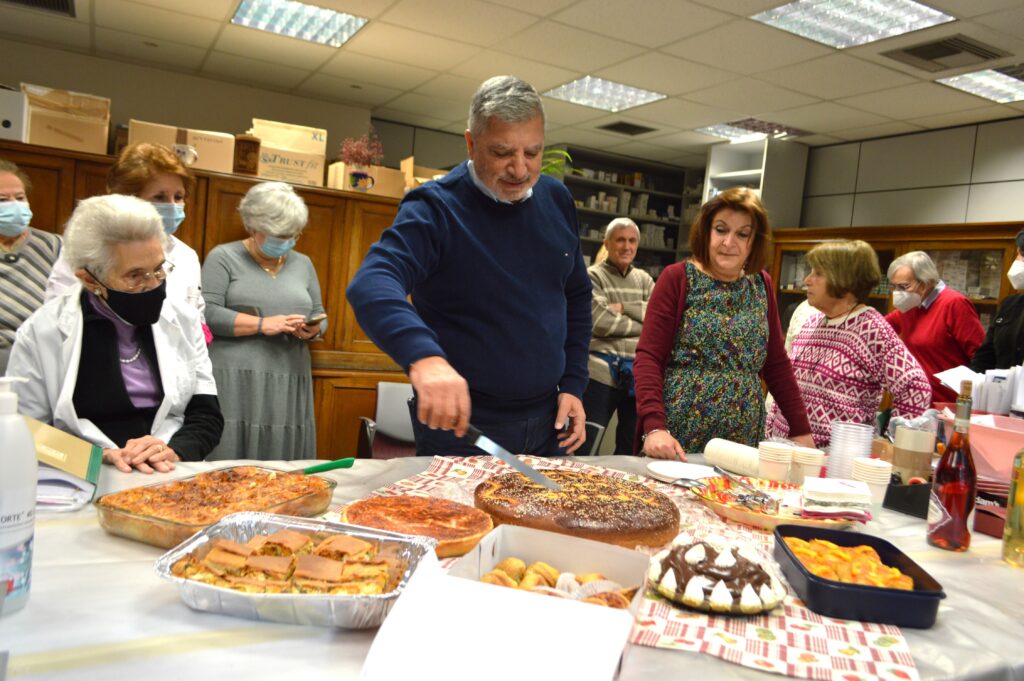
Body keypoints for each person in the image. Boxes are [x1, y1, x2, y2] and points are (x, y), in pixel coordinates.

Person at [346, 75, 591, 457]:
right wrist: (425, 358)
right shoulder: (435, 208)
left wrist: (574, 383)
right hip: (464, 427)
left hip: (548, 420)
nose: (520, 170)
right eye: (502, 152)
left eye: (533, 152)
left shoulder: (556, 200)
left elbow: (575, 295)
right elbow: (372, 283)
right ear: (471, 143)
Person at [7, 194, 222, 473]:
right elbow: (26, 431)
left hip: (167, 471)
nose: (152, 285)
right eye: (134, 276)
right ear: (89, 279)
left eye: (158, 270)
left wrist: (174, 451)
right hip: (82, 476)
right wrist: (95, 458)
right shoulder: (43, 332)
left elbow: (206, 415)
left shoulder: (182, 319)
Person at [633, 187, 813, 460]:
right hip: (678, 438)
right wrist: (654, 426)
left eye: (742, 234)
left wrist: (800, 429)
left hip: (742, 444)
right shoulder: (677, 278)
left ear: (754, 242)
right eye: (721, 229)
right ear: (706, 232)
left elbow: (775, 363)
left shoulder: (761, 285)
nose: (729, 242)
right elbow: (648, 358)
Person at [201, 181, 325, 460]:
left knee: (283, 461)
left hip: (289, 373)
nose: (285, 241)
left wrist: (313, 329)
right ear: (252, 226)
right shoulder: (223, 256)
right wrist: (262, 324)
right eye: (277, 234)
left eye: (292, 234)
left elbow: (319, 311)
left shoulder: (303, 263)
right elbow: (206, 311)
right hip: (236, 377)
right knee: (229, 457)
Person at [766, 240, 931, 448]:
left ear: (843, 280)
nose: (807, 280)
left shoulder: (871, 329)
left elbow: (915, 386)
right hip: (785, 452)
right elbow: (789, 388)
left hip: (835, 464)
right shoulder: (811, 323)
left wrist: (895, 448)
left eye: (818, 273)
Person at [46, 143, 205, 319]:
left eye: (179, 197)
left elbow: (195, 316)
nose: (173, 206)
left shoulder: (186, 256)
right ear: (127, 197)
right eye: (159, 197)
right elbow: (59, 315)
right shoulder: (87, 250)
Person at [583, 218, 653, 454]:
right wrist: (641, 321)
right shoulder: (592, 276)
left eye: (632, 241)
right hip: (600, 373)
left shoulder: (644, 280)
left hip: (638, 375)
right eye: (620, 240)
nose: (626, 246)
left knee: (630, 448)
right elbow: (601, 323)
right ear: (607, 243)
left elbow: (658, 320)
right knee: (586, 446)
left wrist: (622, 307)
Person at [885, 251, 984, 403]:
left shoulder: (954, 304)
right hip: (915, 402)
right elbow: (879, 327)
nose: (898, 293)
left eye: (903, 287)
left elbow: (982, 357)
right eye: (894, 287)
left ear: (924, 283)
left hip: (947, 404)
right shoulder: (910, 305)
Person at [0, 160, 62, 374]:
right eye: (3, 200)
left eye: (19, 198)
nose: (14, 206)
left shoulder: (54, 245)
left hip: (44, 357)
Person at [972, 229, 1024, 372]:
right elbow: (985, 355)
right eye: (1019, 253)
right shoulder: (1010, 304)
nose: (1018, 261)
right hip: (999, 391)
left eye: (1022, 254)